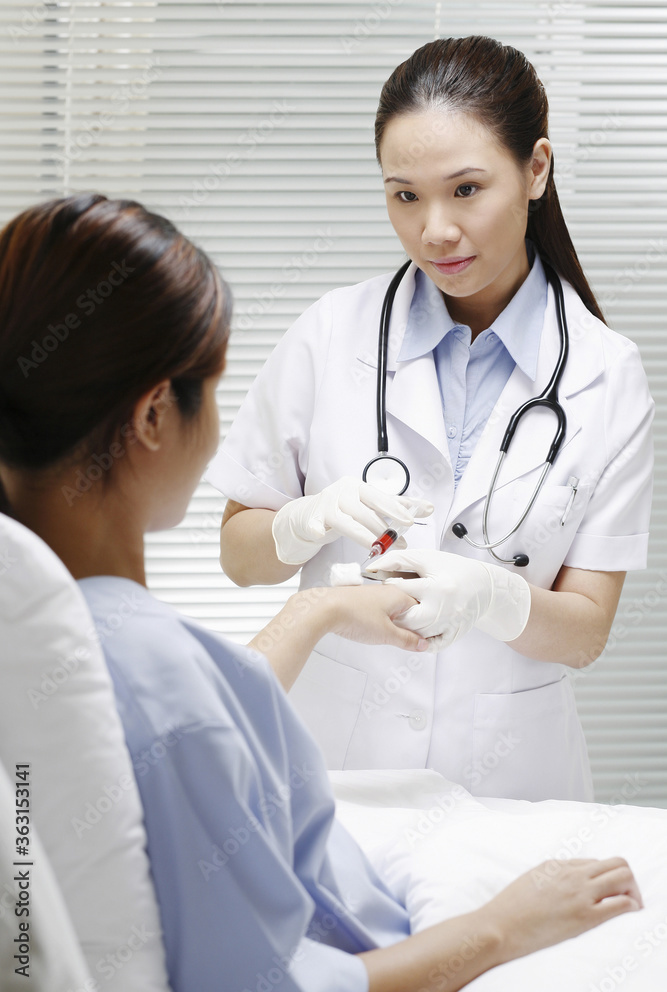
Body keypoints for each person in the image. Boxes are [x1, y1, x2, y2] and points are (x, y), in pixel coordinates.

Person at [0, 193, 644, 992]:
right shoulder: (157, 670)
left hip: (474, 787)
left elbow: (195, 717)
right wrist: (502, 928)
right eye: (214, 386)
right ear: (156, 416)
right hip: (392, 927)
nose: (436, 225)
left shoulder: (59, 628)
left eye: (465, 188)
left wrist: (327, 607)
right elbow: (269, 982)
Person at [209, 35, 654, 801]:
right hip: (337, 768)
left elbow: (584, 632)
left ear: (535, 170)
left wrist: (491, 598)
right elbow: (239, 559)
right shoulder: (329, 334)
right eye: (404, 195)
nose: (434, 230)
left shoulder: (605, 374)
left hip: (510, 784)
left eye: (466, 189)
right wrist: (299, 524)